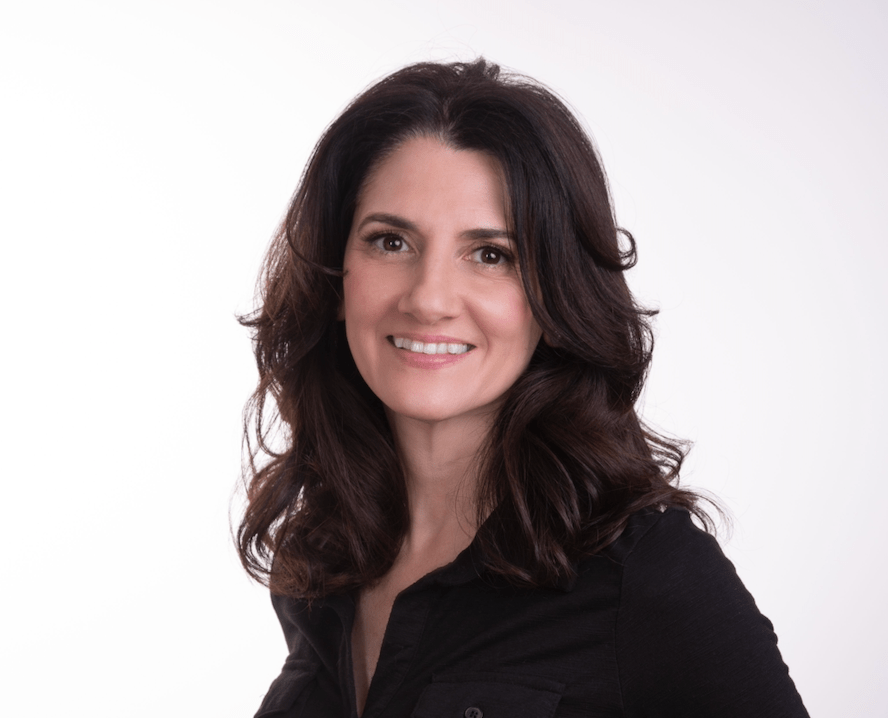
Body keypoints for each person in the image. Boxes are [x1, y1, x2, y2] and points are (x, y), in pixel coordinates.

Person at [237, 59, 809, 717]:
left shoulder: (649, 576)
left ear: (553, 296)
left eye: (490, 255)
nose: (429, 299)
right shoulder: (325, 562)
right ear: (336, 277)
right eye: (390, 241)